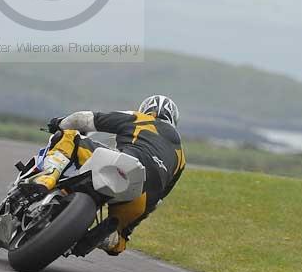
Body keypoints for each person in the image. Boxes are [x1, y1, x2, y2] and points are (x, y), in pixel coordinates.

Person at [23, 95, 186, 255]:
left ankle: (47, 177)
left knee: (70, 136)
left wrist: (59, 123)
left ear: (147, 109)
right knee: (120, 235)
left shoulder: (140, 118)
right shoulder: (181, 157)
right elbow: (158, 201)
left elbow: (83, 119)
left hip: (125, 163)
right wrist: (128, 228)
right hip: (141, 197)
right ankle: (113, 238)